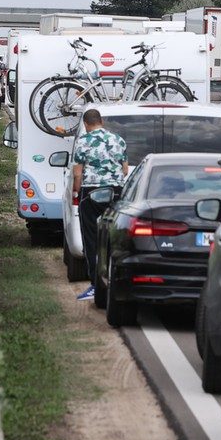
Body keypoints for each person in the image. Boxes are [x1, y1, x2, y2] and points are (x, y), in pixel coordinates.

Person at [72, 108, 128, 301]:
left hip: (92, 191)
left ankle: (96, 285)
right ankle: (117, 281)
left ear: (86, 124)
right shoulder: (118, 140)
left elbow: (78, 173)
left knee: (91, 239)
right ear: (101, 121)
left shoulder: (83, 142)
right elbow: (125, 170)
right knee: (114, 236)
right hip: (116, 191)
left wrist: (77, 191)